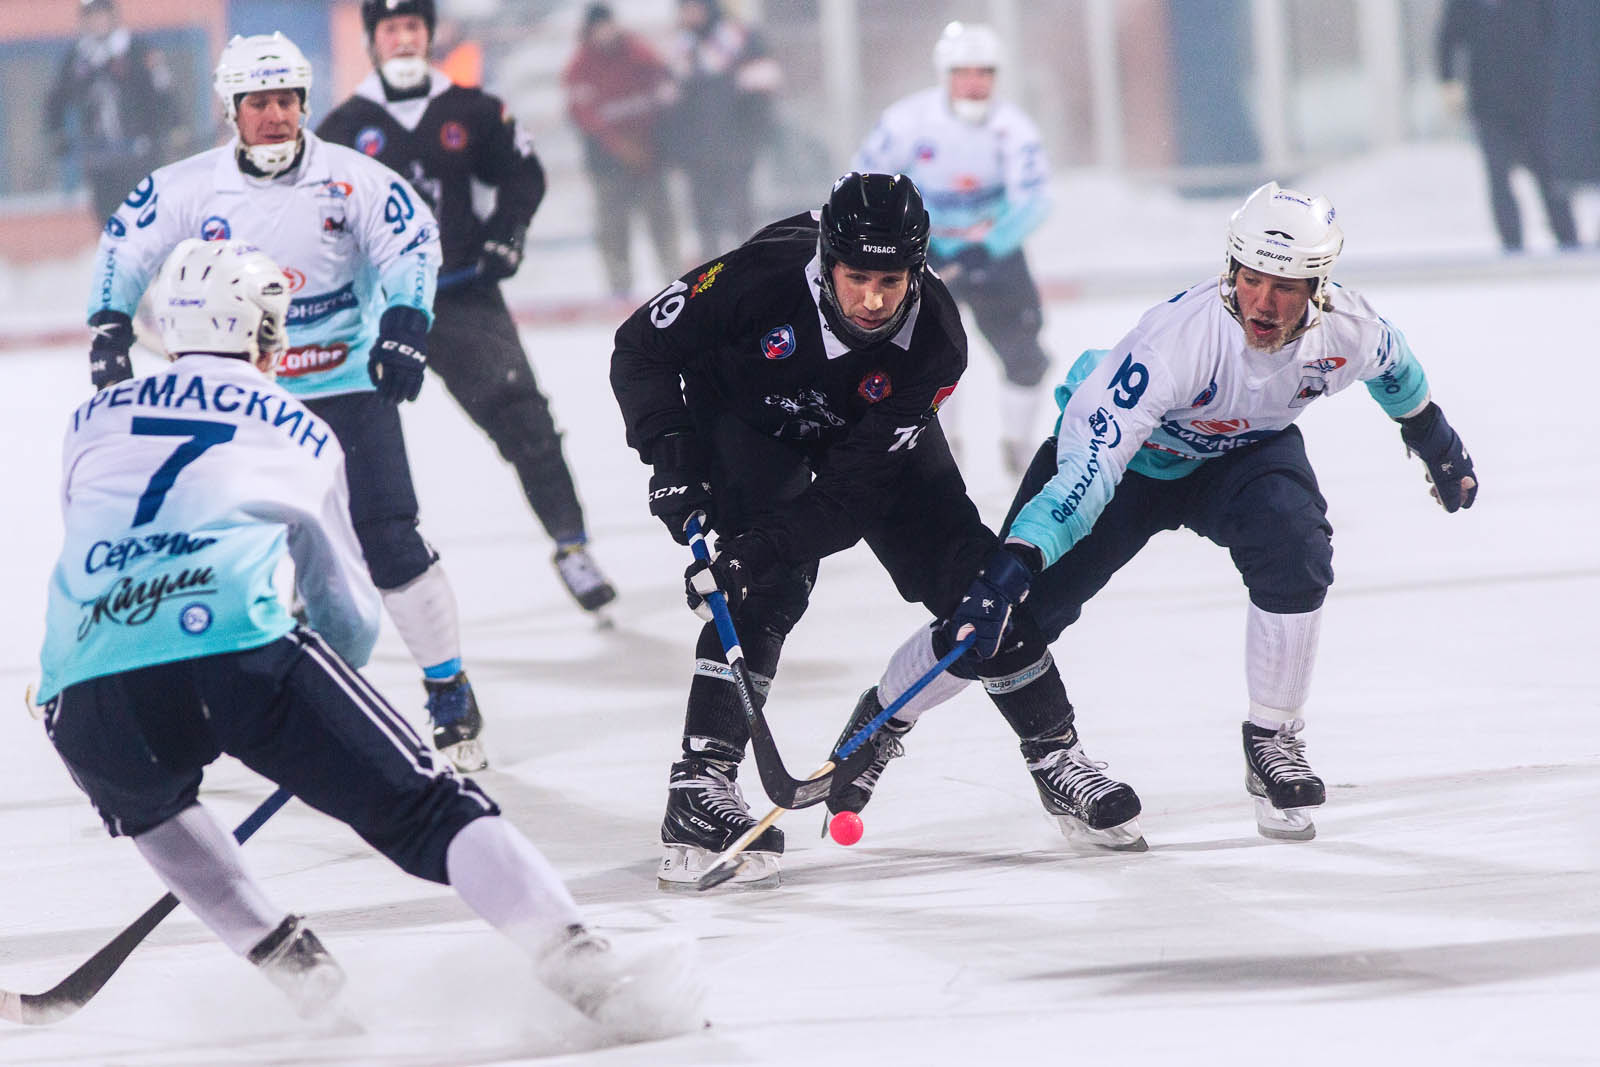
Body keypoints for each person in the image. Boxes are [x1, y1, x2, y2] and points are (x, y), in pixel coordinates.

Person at [34, 238, 703, 1036]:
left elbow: (98, 547)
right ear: (259, 335)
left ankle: (300, 972)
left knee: (154, 809)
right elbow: (346, 609)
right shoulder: (299, 425)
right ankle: (588, 968)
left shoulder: (89, 418)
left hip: (81, 685)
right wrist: (324, 708)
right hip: (237, 650)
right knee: (431, 808)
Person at [826, 182, 1480, 844]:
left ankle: (1273, 738)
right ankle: (882, 721)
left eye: (1285, 286)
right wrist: (1019, 559)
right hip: (1130, 464)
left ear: (1319, 285)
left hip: (1242, 457)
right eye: (1251, 280)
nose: (1264, 302)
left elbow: (1396, 366)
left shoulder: (1347, 329)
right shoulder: (1177, 342)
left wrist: (1434, 440)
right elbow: (1090, 471)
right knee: (1002, 618)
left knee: (1297, 542)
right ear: (1231, 269)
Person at [611, 172, 1128, 888]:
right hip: (746, 418)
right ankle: (699, 784)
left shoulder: (936, 341)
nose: (874, 300)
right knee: (768, 587)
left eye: (892, 279)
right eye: (857, 277)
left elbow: (852, 498)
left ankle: (1056, 756)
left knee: (975, 582)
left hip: (866, 438)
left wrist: (754, 549)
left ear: (918, 268)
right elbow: (639, 345)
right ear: (827, 258)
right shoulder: (758, 276)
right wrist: (672, 455)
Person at [84, 32, 490, 774]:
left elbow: (412, 244)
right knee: (200, 548)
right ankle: (181, 698)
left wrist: (405, 322)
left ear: (304, 103)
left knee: (389, 539)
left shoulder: (353, 177)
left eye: (286, 101)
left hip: (347, 387)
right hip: (242, 400)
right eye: (258, 103)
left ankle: (448, 687)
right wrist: (108, 322)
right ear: (231, 110)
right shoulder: (189, 185)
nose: (275, 116)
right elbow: (126, 241)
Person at [319, 0, 618, 620]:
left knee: (525, 420)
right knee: (335, 446)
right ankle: (318, 583)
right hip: (373, 308)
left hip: (460, 296)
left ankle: (572, 545)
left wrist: (507, 232)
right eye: (390, 29)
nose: (403, 39)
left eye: (413, 27)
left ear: (429, 35)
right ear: (372, 40)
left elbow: (523, 174)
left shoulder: (472, 109)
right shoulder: (341, 129)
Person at [854, 21, 1053, 476]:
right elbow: (866, 177)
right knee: (921, 353)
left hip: (994, 252)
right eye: (963, 71)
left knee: (1025, 352)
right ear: (945, 72)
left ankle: (1018, 447)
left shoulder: (1012, 127)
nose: (974, 82)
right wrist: (899, 236)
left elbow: (1036, 199)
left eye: (985, 72)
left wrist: (991, 244)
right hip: (924, 251)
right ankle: (941, 448)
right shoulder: (908, 120)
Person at [562, 2, 682, 299]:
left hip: (648, 156)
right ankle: (619, 289)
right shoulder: (580, 66)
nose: (604, 34)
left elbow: (662, 89)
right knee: (613, 229)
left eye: (608, 26)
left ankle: (676, 282)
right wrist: (618, 145)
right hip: (607, 164)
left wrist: (649, 139)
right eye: (598, 28)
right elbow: (582, 114)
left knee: (662, 222)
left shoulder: (639, 53)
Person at [1438, 0, 1578, 252]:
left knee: (1550, 176)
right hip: (1490, 105)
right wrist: (1448, 81)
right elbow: (1448, 39)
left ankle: (1568, 240)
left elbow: (1558, 34)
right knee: (1499, 178)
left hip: (1536, 102)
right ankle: (1512, 247)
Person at [45, 0, 181, 224]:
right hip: (100, 160)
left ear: (113, 15)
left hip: (140, 154)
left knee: (147, 220)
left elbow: (162, 91)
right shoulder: (77, 57)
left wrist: (174, 126)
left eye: (102, 14)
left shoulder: (137, 49)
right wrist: (57, 134)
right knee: (111, 224)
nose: (98, 21)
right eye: (92, 16)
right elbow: (55, 100)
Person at [665, 0, 782, 258]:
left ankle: (749, 267)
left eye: (693, 7)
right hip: (698, 155)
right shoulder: (681, 50)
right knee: (705, 222)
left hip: (736, 148)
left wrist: (751, 138)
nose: (689, 14)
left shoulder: (742, 40)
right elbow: (673, 108)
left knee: (742, 217)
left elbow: (764, 91)